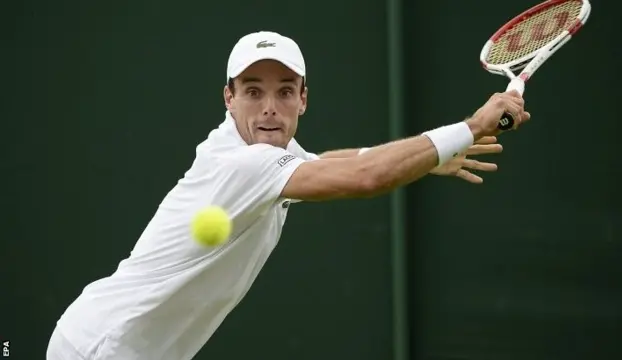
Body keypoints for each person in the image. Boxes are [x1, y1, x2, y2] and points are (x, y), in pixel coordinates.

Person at [46, 31, 530, 360]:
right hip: (100, 349)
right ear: (228, 99)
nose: (270, 108)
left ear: (303, 97)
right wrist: (470, 128)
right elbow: (363, 176)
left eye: (284, 92)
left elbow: (333, 161)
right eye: (253, 92)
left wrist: (431, 155)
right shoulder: (245, 163)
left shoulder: (260, 144)